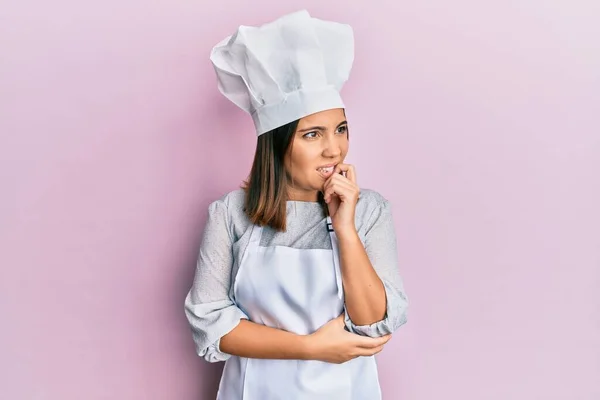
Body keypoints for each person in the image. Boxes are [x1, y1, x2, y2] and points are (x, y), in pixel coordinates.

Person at [184, 10, 409, 399]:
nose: (333, 149)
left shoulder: (369, 211)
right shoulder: (231, 214)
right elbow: (211, 323)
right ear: (277, 143)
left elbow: (373, 323)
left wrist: (345, 227)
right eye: (312, 134)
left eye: (340, 129)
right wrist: (311, 348)